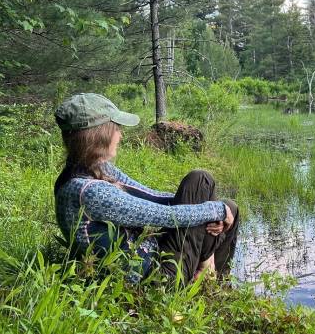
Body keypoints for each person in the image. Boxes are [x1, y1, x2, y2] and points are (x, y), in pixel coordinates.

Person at [53, 93, 239, 283]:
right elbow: (163, 216)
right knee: (202, 182)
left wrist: (209, 206)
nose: (120, 134)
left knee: (225, 203)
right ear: (100, 135)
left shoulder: (92, 169)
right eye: (116, 128)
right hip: (156, 277)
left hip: (155, 253)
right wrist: (214, 210)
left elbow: (149, 196)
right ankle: (209, 275)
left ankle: (217, 278)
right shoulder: (89, 192)